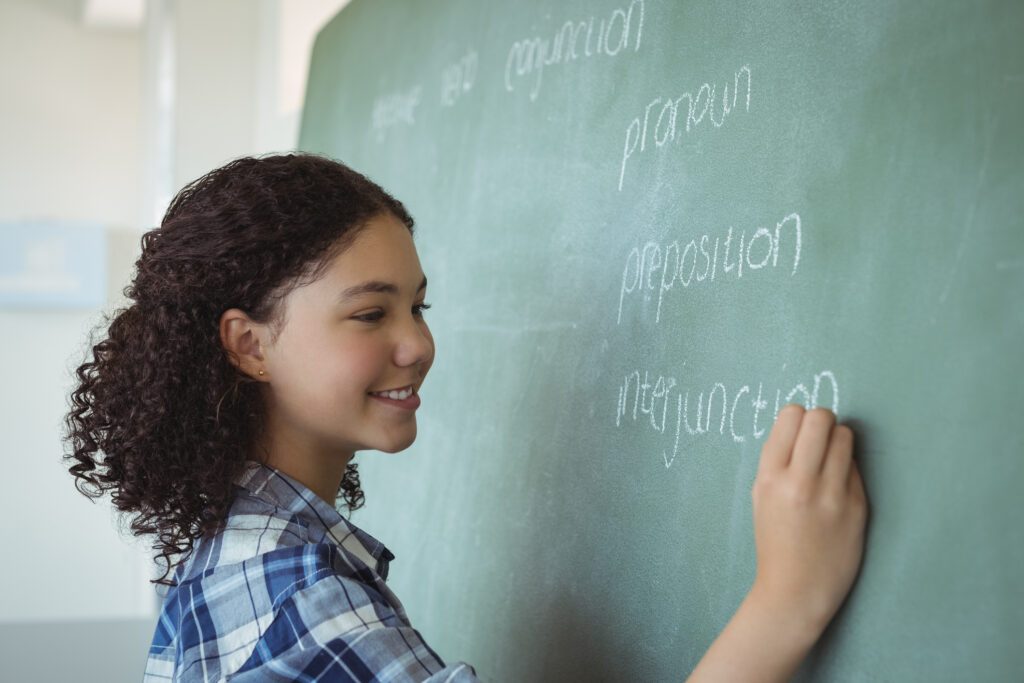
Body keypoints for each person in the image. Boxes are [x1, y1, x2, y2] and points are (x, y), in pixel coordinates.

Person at [63, 152, 868, 682]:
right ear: (248, 344)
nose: (419, 343)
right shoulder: (297, 594)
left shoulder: (232, 551)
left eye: (417, 305)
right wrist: (787, 596)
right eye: (370, 314)